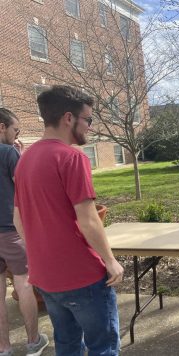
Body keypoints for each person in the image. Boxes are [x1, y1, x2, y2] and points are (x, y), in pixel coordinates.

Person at [13, 85, 124, 355]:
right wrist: (110, 261)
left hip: (45, 277)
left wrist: (41, 253)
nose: (90, 127)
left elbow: (18, 218)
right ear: (68, 118)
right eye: (88, 120)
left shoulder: (25, 159)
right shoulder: (72, 157)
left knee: (67, 344)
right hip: (82, 276)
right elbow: (88, 220)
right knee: (103, 347)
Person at [0, 108, 49, 356]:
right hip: (10, 230)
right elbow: (27, 189)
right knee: (24, 283)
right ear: (1, 127)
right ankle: (33, 342)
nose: (15, 134)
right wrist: (20, 155)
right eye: (15, 129)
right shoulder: (8, 152)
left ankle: (4, 348)